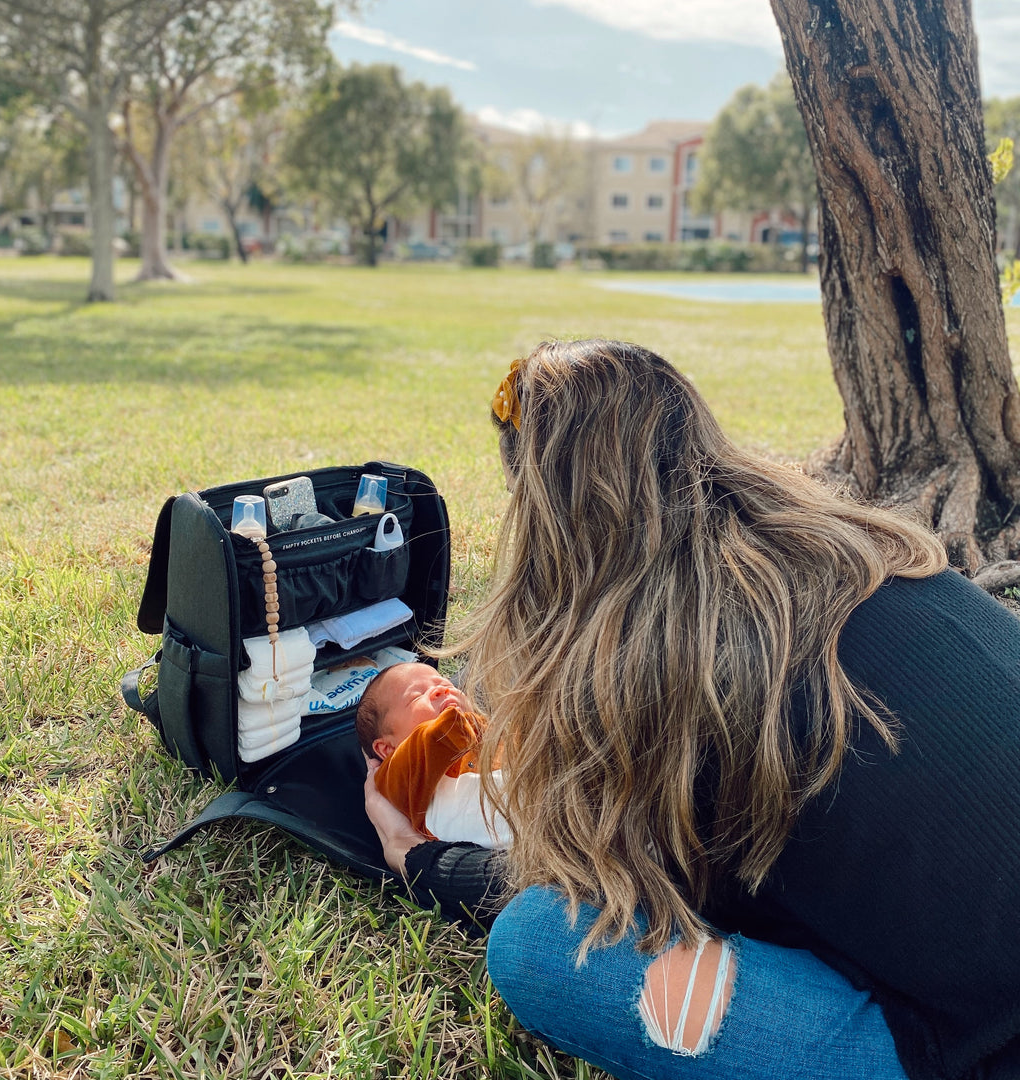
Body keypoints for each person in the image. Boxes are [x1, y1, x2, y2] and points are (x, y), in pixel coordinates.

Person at [364, 339, 1020, 1080]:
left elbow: (614, 894)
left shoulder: (683, 678)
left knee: (539, 945)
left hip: (991, 1045)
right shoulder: (876, 558)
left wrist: (419, 861)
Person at [356, 661, 510, 848]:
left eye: (446, 684)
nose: (441, 690)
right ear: (387, 748)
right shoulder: (396, 774)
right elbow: (436, 735)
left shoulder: (491, 736)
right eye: (416, 696)